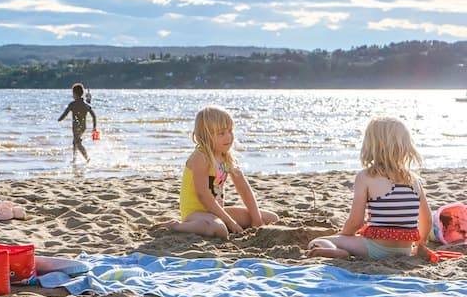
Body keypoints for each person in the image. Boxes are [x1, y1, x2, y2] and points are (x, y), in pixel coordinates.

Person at [307, 117, 431, 259]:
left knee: (317, 241)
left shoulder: (366, 177)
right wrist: (420, 244)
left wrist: (343, 236)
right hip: (404, 250)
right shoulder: (414, 180)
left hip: (375, 249)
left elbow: (356, 222)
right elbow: (426, 221)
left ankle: (338, 251)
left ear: (371, 145)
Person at [157, 106, 278, 238]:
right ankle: (175, 226)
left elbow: (244, 189)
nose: (228, 137)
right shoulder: (201, 157)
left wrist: (256, 219)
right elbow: (203, 196)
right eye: (221, 133)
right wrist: (230, 222)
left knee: (271, 218)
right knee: (219, 229)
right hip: (196, 214)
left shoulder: (225, 157)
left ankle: (225, 222)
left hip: (216, 213)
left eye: (230, 131)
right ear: (206, 136)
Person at [58, 82, 97, 162]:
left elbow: (65, 114)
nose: (72, 95)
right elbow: (94, 116)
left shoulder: (72, 104)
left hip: (76, 127)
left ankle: (87, 158)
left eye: (73, 93)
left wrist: (59, 119)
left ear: (75, 94)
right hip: (83, 127)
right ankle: (74, 159)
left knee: (77, 143)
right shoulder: (85, 105)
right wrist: (94, 127)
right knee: (75, 142)